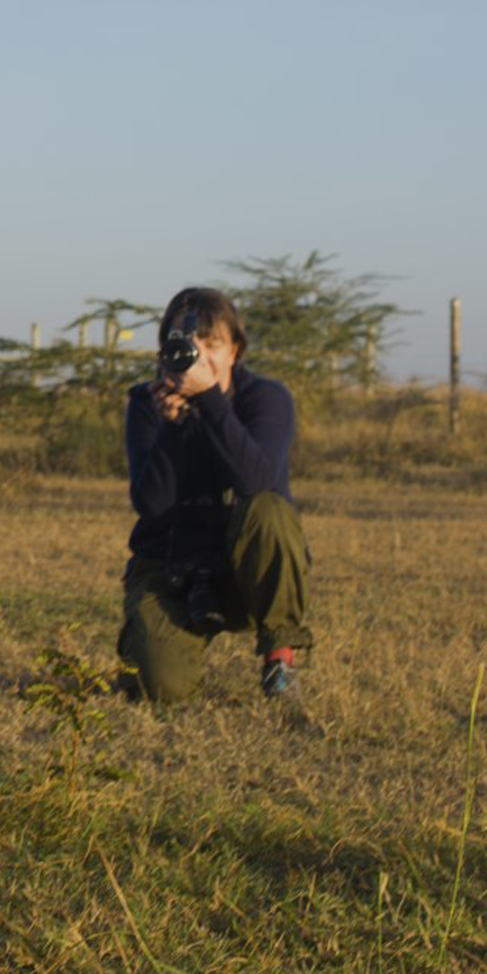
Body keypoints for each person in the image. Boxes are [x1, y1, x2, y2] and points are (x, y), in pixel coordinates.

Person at [117, 286, 313, 704]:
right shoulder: (146, 402)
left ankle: (279, 659)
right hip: (171, 566)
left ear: (235, 350)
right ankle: (146, 646)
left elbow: (258, 482)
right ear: (166, 349)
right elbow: (152, 506)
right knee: (162, 689)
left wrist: (210, 402)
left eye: (212, 343)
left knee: (271, 511)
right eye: (185, 343)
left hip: (241, 566)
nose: (199, 355)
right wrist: (172, 428)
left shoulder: (266, 398)